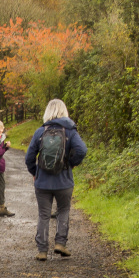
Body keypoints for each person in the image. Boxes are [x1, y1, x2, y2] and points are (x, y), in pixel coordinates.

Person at [24, 99, 87, 261]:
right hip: (64, 180)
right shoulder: (70, 131)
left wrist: (35, 172)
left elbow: (29, 157)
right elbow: (82, 150)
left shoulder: (40, 132)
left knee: (44, 215)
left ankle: (42, 250)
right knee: (63, 211)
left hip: (43, 181)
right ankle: (60, 243)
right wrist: (70, 164)